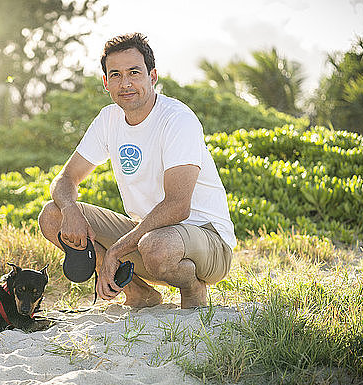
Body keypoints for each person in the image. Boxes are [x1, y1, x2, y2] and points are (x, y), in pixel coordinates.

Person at [37, 33, 236, 308]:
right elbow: (66, 178)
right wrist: (70, 210)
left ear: (152, 76)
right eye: (115, 75)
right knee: (52, 215)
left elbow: (178, 206)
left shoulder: (177, 120)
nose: (126, 83)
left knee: (155, 245)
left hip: (206, 239)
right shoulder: (109, 119)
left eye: (134, 72)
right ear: (106, 82)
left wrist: (117, 250)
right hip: (148, 236)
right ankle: (140, 293)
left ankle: (193, 289)